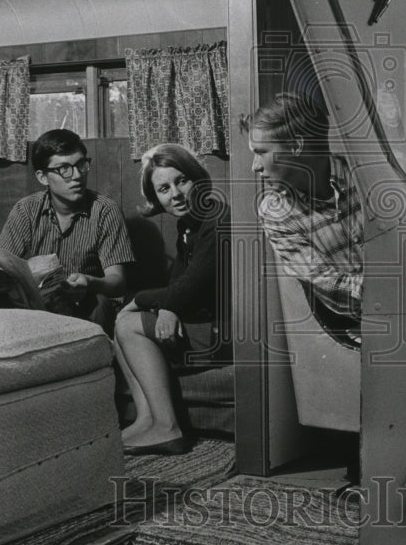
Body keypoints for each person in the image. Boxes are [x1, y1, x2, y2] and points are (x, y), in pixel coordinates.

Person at [115, 143, 230, 456]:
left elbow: (192, 285)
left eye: (182, 181)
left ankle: (168, 428)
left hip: (224, 331)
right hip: (203, 319)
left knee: (128, 324)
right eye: (164, 189)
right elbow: (179, 283)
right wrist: (167, 306)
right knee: (122, 323)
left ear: (198, 178)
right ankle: (147, 419)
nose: (175, 194)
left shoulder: (218, 218)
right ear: (156, 198)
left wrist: (142, 299)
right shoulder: (188, 225)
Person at [0, 128, 135, 333]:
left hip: (82, 302)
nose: (76, 176)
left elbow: (117, 282)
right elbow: (1, 262)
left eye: (81, 165)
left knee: (99, 304)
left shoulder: (105, 210)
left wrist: (89, 282)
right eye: (64, 168)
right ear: (43, 177)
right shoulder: (27, 209)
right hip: (34, 302)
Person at [240, 91, 363, 323]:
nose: (255, 167)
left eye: (261, 153)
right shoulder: (276, 212)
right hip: (361, 326)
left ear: (296, 146)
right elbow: (330, 282)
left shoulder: (363, 175)